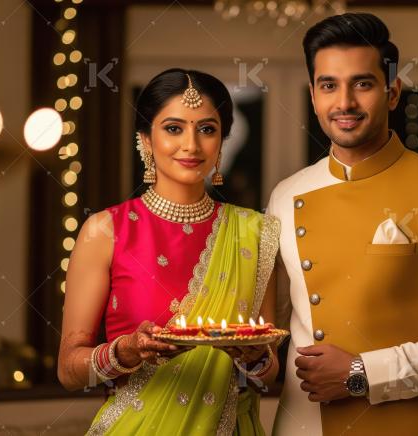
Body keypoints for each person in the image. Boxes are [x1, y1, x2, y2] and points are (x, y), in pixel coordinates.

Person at [267, 13, 418, 435]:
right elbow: (269, 328)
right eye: (328, 85)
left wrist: (363, 372)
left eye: (363, 83)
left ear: (392, 92)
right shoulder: (286, 195)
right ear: (313, 94)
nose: (344, 103)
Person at [57, 68, 281, 435]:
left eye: (207, 129)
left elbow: (268, 374)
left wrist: (255, 357)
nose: (191, 145)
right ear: (145, 139)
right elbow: (68, 371)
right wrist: (124, 351)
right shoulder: (105, 231)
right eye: (173, 128)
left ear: (222, 141)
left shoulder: (255, 234)